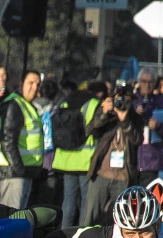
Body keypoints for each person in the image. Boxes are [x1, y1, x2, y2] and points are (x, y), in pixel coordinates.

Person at [83, 83, 142, 227]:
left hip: (123, 176)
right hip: (101, 173)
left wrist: (124, 120)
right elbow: (90, 130)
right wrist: (104, 113)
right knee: (90, 216)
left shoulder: (136, 118)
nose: (122, 103)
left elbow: (137, 139)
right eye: (119, 99)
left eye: (127, 100)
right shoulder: (107, 115)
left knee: (118, 218)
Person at [0, 70, 44, 209]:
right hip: (12, 173)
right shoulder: (14, 105)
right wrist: (19, 169)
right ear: (21, 84)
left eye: (37, 84)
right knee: (10, 217)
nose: (34, 87)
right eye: (30, 83)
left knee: (16, 218)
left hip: (20, 172)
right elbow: (7, 141)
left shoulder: (25, 105)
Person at [53, 81, 101, 228]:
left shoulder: (64, 102)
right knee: (86, 202)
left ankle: (63, 235)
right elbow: (98, 129)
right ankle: (81, 236)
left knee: (68, 202)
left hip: (66, 160)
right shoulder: (94, 103)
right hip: (85, 161)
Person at [30, 78, 62, 207]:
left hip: (31, 161)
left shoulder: (29, 108)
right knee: (45, 204)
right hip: (50, 163)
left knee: (29, 202)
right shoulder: (56, 111)